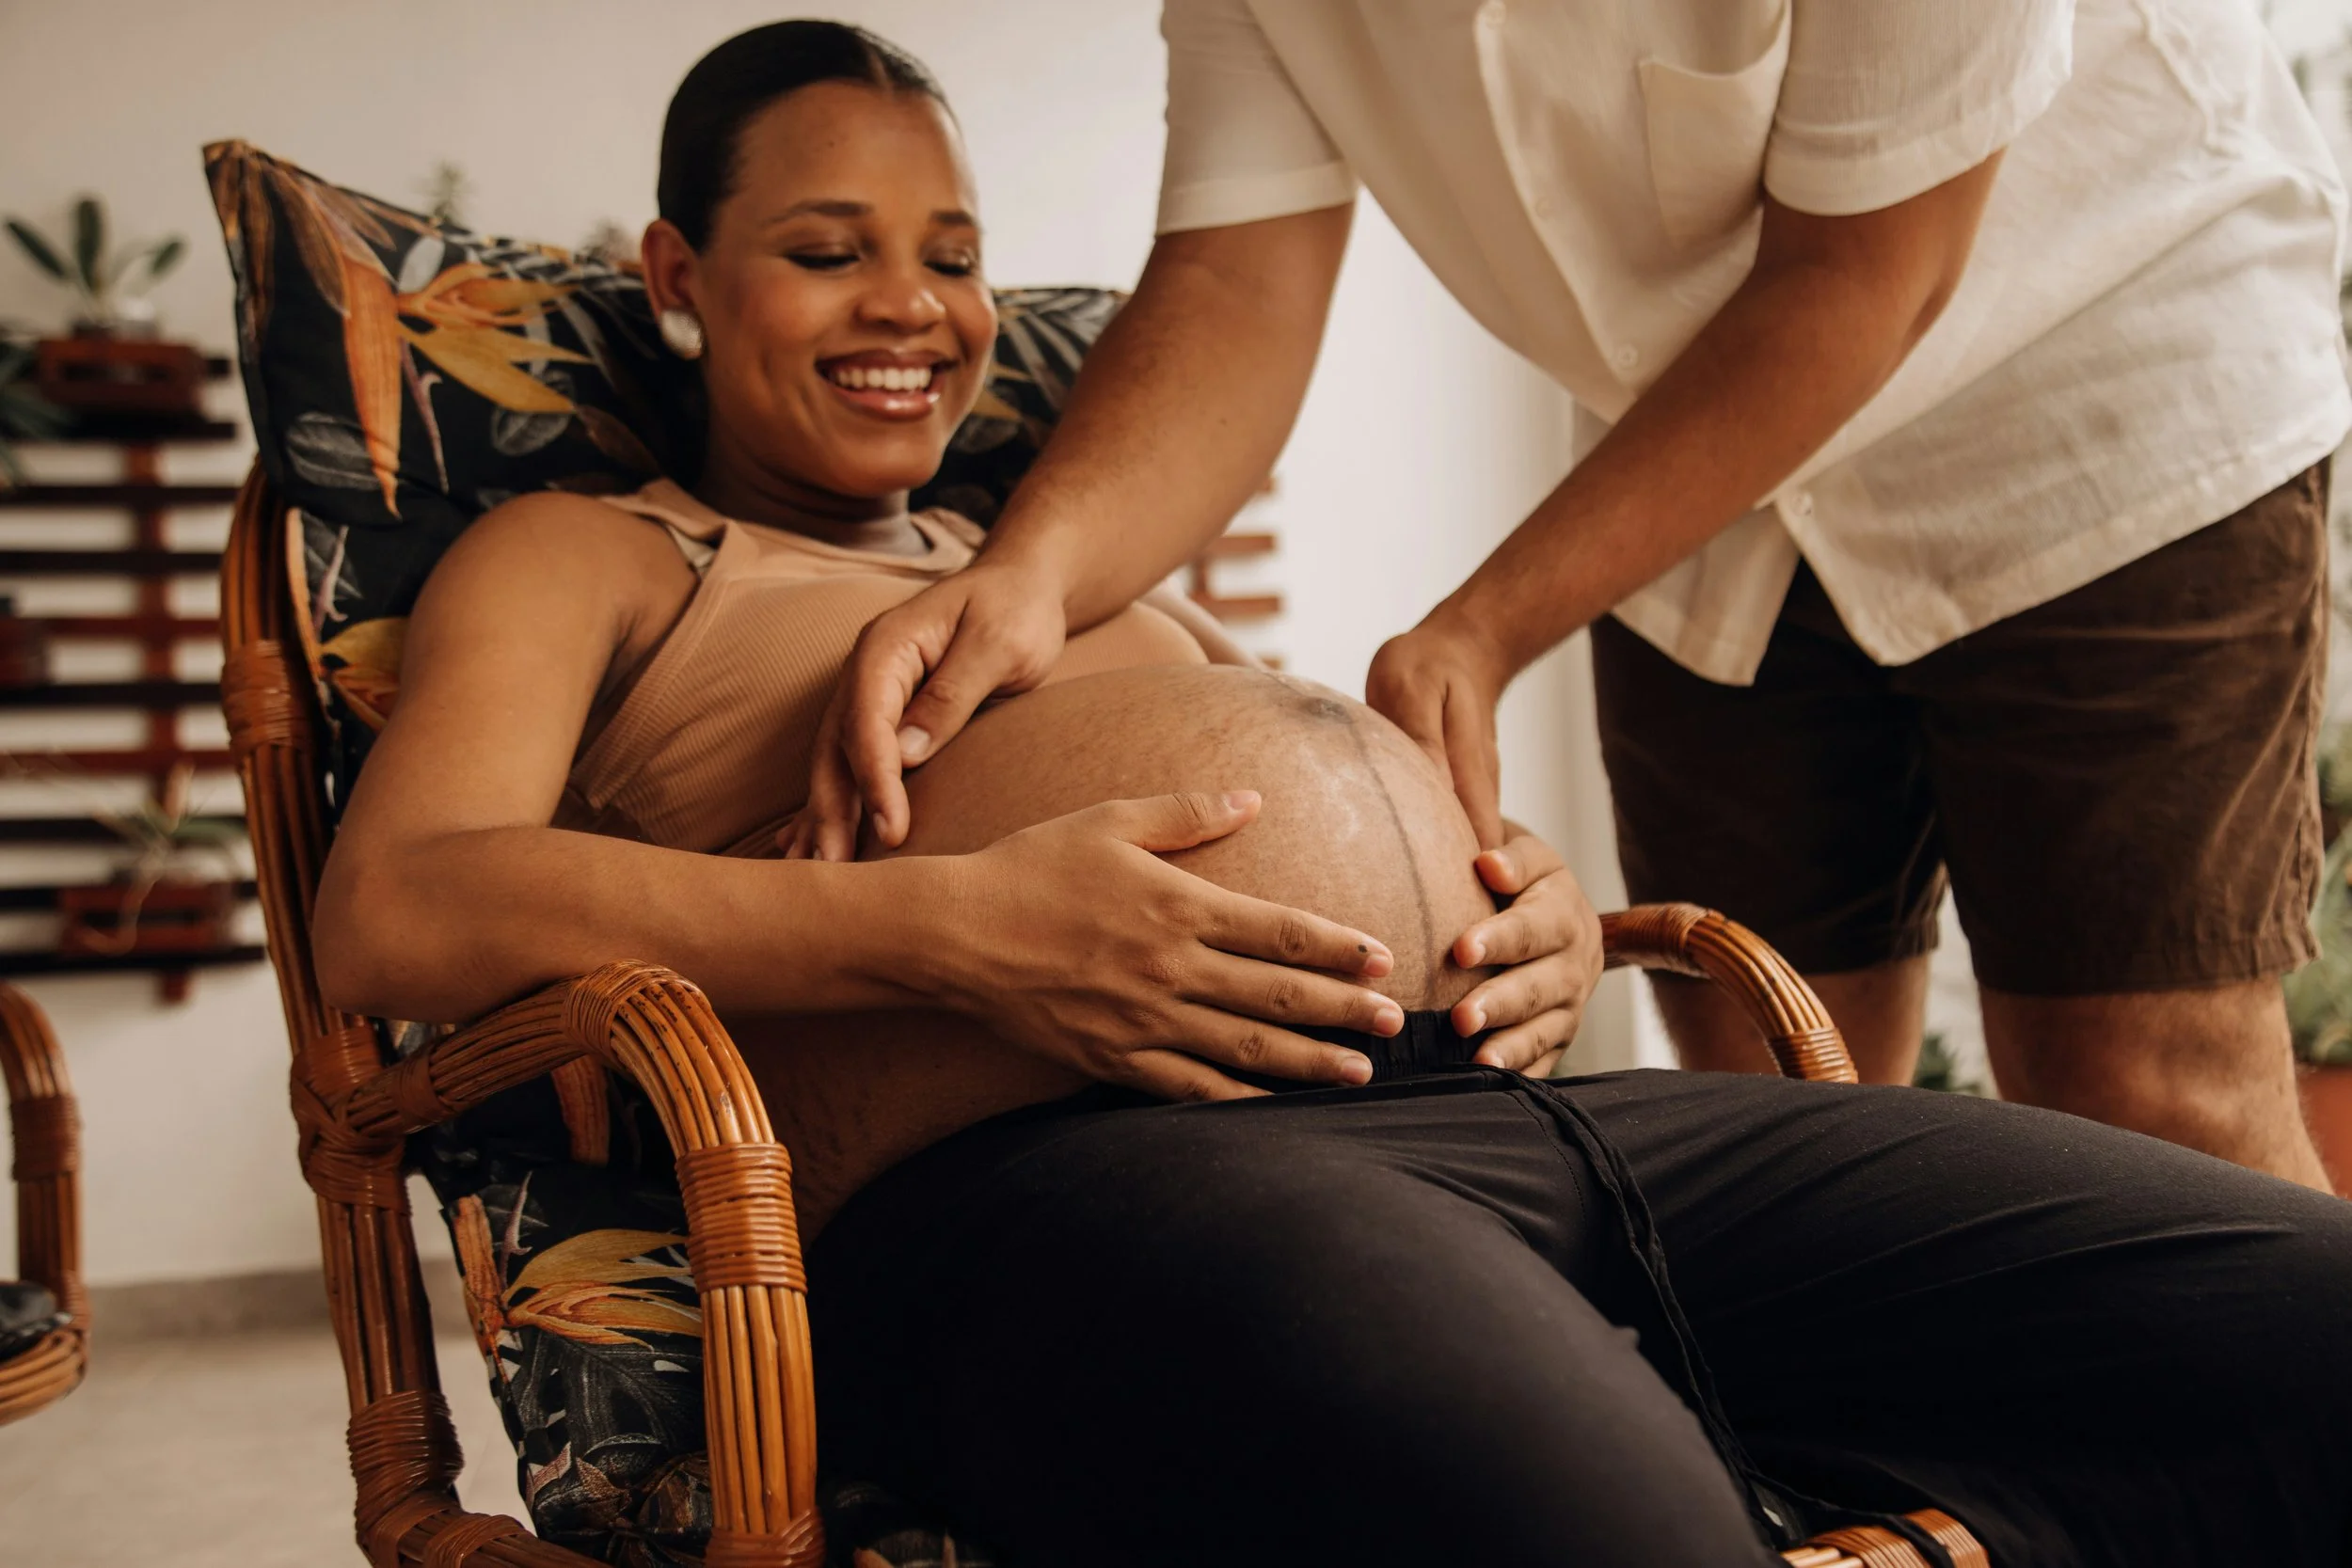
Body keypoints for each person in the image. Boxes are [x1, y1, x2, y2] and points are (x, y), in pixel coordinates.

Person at [313, 24, 2352, 1566]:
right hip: (1069, 1194)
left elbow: (1339, 789)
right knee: (1623, 1523)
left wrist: (1512, 892)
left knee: (2287, 1319)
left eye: (948, 253)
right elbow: (397, 905)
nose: (911, 308)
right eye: (821, 252)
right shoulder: (589, 555)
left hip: (1511, 1114)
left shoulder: (1066, 567)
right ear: (677, 276)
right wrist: (945, 924)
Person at [811, 0, 2352, 1191]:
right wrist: (1029, 573)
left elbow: (1864, 273)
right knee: (1772, 1098)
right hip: (1688, 448)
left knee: (2151, 1098)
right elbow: (1234, 282)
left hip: (2094, 371)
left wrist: (1483, 625)